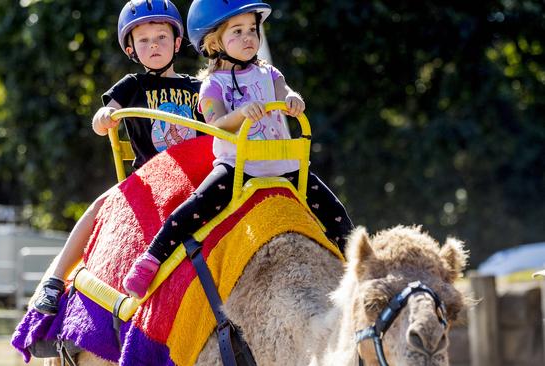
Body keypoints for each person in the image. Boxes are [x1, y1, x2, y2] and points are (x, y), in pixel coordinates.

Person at [122, 0, 354, 298]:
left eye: (252, 30)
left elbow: (285, 92)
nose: (248, 38)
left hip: (284, 163)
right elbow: (216, 124)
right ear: (213, 41)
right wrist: (243, 112)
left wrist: (294, 100)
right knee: (195, 208)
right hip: (238, 166)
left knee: (333, 210)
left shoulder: (269, 73)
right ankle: (153, 257)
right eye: (237, 31)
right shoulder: (211, 86)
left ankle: (359, 262)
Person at [32, 0, 204, 315]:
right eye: (144, 40)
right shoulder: (132, 85)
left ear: (178, 42)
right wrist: (103, 116)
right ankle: (55, 281)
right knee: (99, 206)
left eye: (162, 37)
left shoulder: (199, 87)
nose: (154, 45)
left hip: (194, 180)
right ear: (131, 50)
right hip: (148, 180)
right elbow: (107, 113)